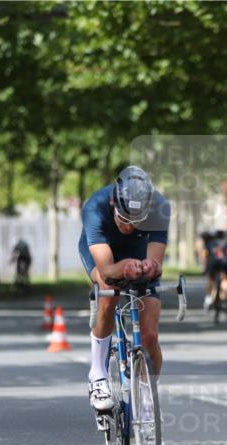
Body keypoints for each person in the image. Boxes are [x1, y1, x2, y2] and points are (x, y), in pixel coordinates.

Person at [79, 165, 170, 414]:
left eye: (136, 221)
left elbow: (155, 263)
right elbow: (107, 269)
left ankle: (147, 394)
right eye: (124, 219)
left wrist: (149, 267)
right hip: (103, 252)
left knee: (150, 335)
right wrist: (122, 268)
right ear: (113, 203)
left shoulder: (161, 207)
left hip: (138, 253)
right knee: (109, 290)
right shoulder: (94, 208)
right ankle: (97, 375)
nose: (129, 227)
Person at [198, 228, 225, 311]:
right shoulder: (222, 243)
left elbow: (204, 255)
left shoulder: (208, 243)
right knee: (224, 279)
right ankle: (223, 299)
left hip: (211, 263)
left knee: (209, 279)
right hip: (222, 264)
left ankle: (208, 298)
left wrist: (204, 267)